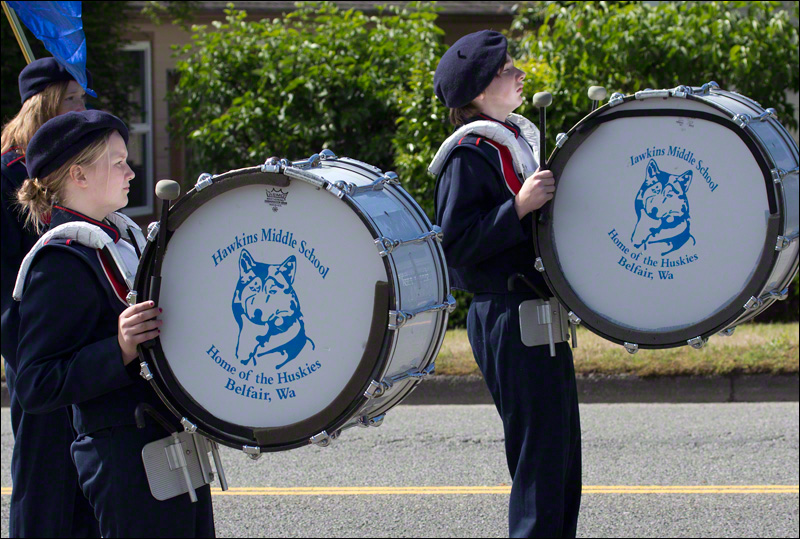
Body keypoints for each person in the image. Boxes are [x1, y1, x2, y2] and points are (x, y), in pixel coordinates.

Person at [10, 110, 216, 538]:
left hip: (168, 444)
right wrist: (119, 348)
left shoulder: (124, 241)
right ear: (79, 175)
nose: (130, 171)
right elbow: (35, 383)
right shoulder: (61, 261)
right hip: (124, 457)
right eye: (118, 161)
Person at [430, 30, 581, 537]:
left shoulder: (512, 142)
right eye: (506, 72)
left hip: (537, 312)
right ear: (477, 90)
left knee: (560, 455)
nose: (519, 76)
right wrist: (518, 207)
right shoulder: (467, 155)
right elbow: (455, 246)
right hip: (507, 313)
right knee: (538, 456)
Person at [0, 57, 100, 538]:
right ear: (48, 105)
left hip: (79, 339)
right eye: (75, 99)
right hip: (35, 344)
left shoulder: (72, 170)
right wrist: (22, 350)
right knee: (43, 479)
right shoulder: (7, 174)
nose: (83, 107)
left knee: (85, 471)